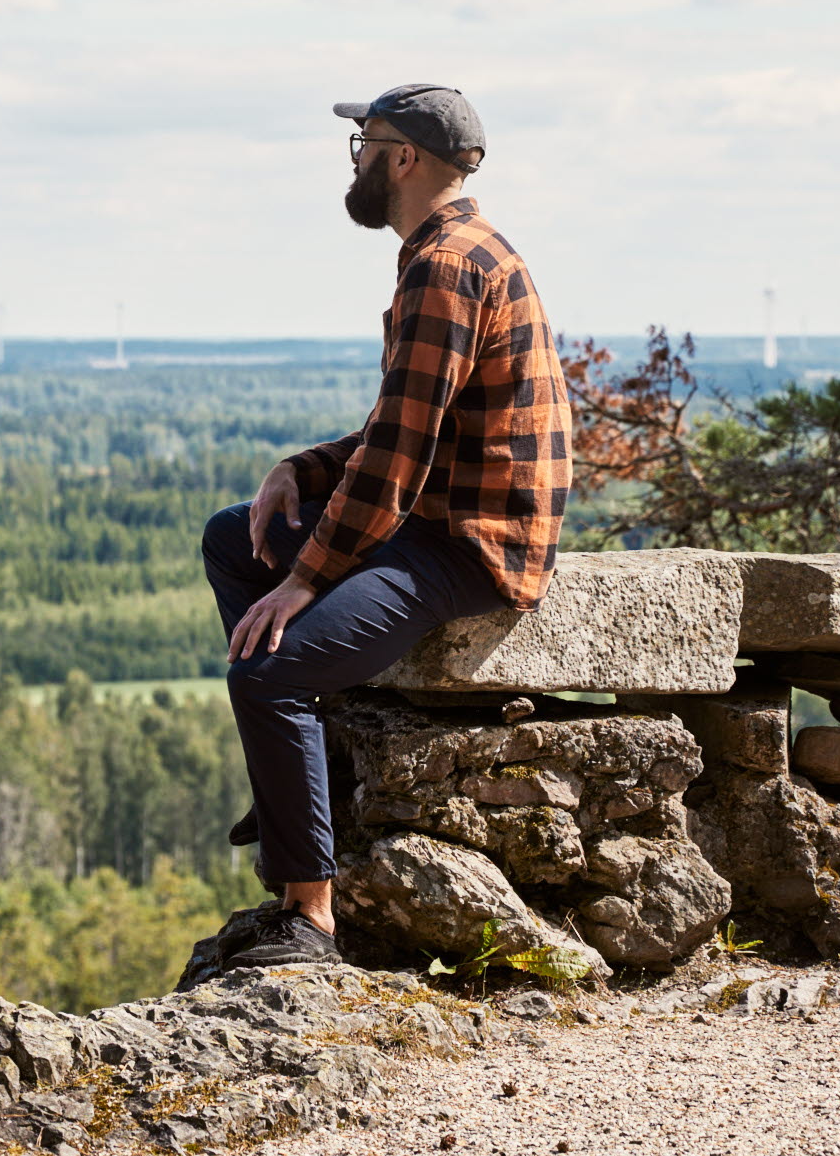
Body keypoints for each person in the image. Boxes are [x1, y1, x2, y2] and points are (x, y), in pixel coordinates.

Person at [204, 83, 572, 968]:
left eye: (364, 143)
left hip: (471, 543)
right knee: (232, 535)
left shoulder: (446, 267)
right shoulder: (456, 250)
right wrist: (305, 469)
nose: (357, 160)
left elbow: (401, 455)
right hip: (443, 518)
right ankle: (303, 783)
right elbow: (404, 424)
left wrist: (306, 578)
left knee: (268, 672)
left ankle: (310, 914)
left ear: (403, 158)